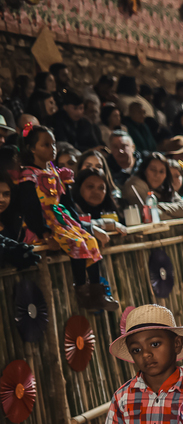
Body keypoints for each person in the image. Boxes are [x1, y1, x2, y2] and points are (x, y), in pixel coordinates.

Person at [2, 126, 118, 310]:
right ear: (32, 148)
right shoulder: (28, 176)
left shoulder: (56, 173)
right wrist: (44, 232)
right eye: (46, 145)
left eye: (53, 144)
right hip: (45, 222)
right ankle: (81, 290)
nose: (52, 149)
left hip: (62, 219)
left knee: (90, 241)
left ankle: (97, 292)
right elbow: (31, 208)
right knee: (76, 243)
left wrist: (78, 224)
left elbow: (68, 203)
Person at [121, 151, 183, 223]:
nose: (157, 175)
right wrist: (175, 214)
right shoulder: (135, 185)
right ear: (144, 170)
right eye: (153, 170)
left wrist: (159, 206)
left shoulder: (165, 187)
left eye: (161, 171)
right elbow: (149, 216)